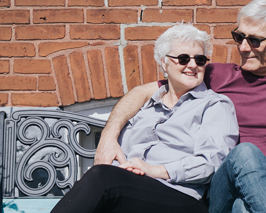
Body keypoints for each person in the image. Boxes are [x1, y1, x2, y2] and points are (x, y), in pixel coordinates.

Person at [95, 0, 266, 213]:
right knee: (245, 153)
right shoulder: (214, 74)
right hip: (220, 192)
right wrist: (109, 133)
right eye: (239, 37)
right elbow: (141, 92)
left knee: (243, 208)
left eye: (255, 41)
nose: (244, 48)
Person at [50, 23, 239, 213]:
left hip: (182, 196)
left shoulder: (215, 105)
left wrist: (154, 169)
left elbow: (210, 164)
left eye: (199, 60)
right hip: (131, 191)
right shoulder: (146, 107)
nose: (192, 65)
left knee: (101, 178)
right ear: (164, 63)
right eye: (183, 59)